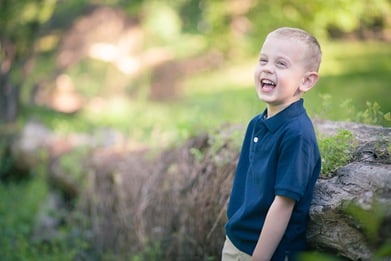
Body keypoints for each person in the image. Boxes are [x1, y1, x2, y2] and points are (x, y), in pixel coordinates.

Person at [222, 27, 322, 261]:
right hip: (237, 240)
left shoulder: (297, 134)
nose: (268, 68)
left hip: (268, 252)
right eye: (263, 60)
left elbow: (283, 205)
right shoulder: (256, 124)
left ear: (306, 81)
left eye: (281, 64)